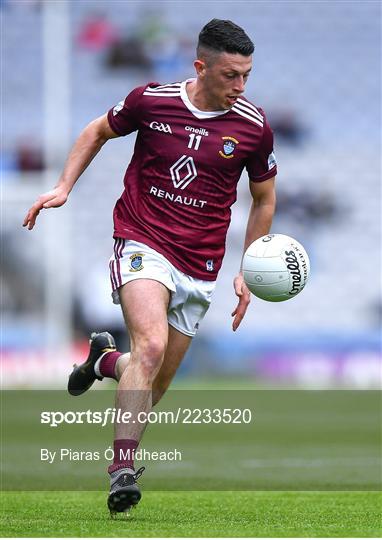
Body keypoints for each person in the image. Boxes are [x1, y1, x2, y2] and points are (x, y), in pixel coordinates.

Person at [23, 19, 277, 515]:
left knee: (154, 381)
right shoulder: (152, 102)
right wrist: (63, 186)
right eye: (231, 75)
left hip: (201, 261)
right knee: (152, 345)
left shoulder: (253, 127)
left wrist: (250, 264)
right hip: (143, 238)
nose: (241, 86)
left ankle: (104, 363)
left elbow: (264, 199)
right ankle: (122, 469)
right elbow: (98, 130)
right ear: (200, 67)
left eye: (247, 75)